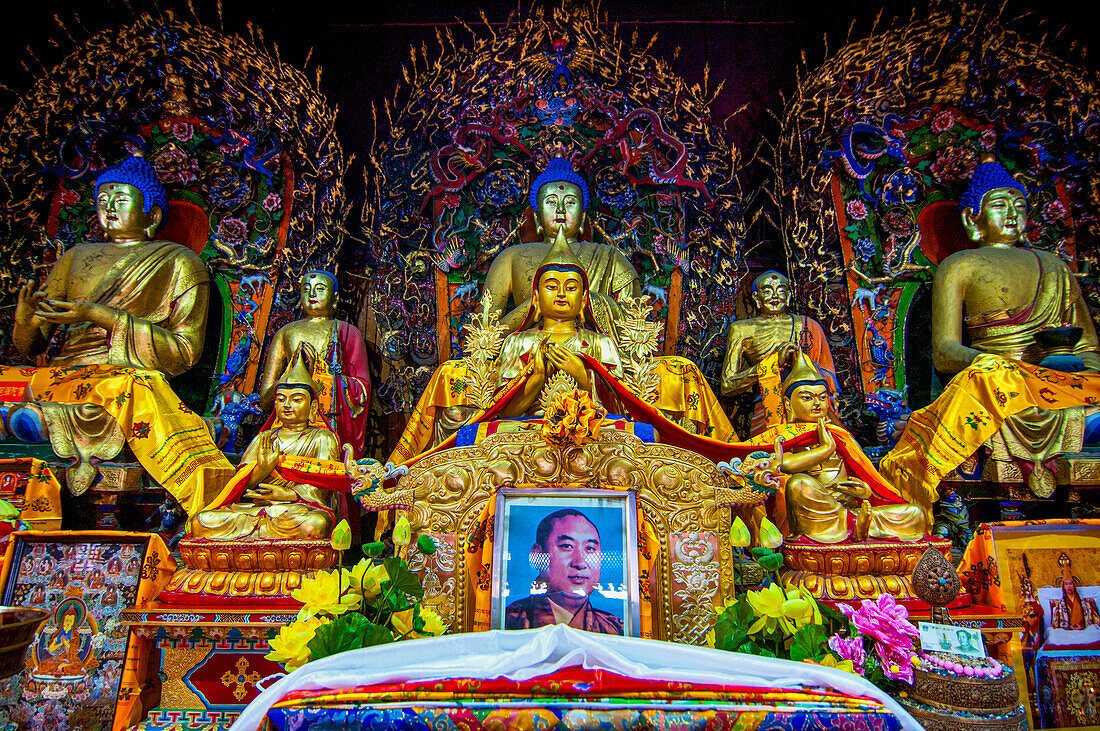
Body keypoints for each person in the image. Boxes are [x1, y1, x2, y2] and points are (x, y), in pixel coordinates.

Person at [0, 155, 234, 512]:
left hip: (127, 381)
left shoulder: (179, 261)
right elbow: (32, 348)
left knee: (122, 397)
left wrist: (100, 315)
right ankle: (37, 418)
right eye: (102, 200)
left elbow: (184, 353)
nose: (109, 209)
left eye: (121, 200)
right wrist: (26, 321)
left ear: (153, 216)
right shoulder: (76, 257)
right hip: (63, 379)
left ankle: (35, 421)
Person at [881, 158, 1100, 510]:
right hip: (996, 384)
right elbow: (945, 351)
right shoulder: (959, 265)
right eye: (999, 205)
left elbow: (1089, 346)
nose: (1012, 214)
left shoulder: (1057, 268)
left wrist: (1073, 363)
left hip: (1059, 383)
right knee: (980, 392)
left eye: (1020, 206)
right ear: (973, 219)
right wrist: (998, 367)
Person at [189, 351, 342, 540]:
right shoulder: (264, 437)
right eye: (281, 399)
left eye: (296, 399)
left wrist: (288, 495)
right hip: (255, 509)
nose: (287, 405)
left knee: (316, 524)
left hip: (296, 509)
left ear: (312, 408)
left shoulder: (322, 438)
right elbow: (241, 486)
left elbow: (326, 486)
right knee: (203, 520)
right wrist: (263, 469)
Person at [776, 351, 927, 543]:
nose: (817, 404)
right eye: (807, 398)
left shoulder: (840, 435)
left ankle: (856, 524)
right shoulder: (785, 435)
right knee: (797, 485)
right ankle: (853, 525)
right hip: (821, 513)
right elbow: (783, 464)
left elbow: (862, 473)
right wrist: (825, 450)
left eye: (822, 398)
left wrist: (865, 493)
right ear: (789, 405)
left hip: (850, 509)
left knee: (915, 513)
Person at [483, 157, 640, 335]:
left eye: (570, 202)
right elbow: (485, 334)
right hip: (526, 352)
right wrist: (534, 305)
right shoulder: (511, 256)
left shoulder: (608, 257)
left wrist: (586, 302)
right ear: (536, 217)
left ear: (582, 217)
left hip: (592, 352)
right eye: (551, 201)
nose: (560, 210)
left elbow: (635, 327)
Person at [257, 270, 370, 458]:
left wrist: (319, 374)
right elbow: (265, 400)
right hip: (287, 427)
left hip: (328, 426)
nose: (311, 294)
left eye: (319, 289)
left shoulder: (348, 332)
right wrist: (293, 374)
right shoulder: (286, 333)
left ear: (334, 298)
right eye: (306, 289)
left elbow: (362, 389)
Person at [721, 270, 837, 434]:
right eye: (767, 291)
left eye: (781, 290)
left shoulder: (807, 325)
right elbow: (727, 385)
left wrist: (802, 364)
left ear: (789, 295)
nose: (775, 296)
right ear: (756, 297)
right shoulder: (742, 329)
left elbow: (829, 376)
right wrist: (773, 364)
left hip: (810, 404)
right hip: (768, 406)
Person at [504, 508, 624, 635]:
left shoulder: (615, 628)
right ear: (538, 556)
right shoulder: (509, 622)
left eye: (590, 548)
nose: (580, 563)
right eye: (567, 546)